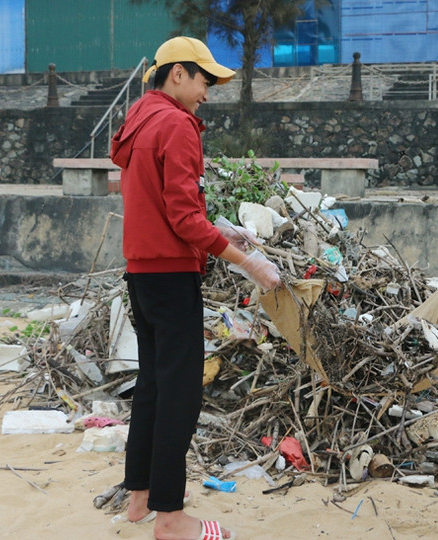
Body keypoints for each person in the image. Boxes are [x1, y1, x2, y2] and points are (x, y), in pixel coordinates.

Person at [110, 36, 280, 540]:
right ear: (178, 74)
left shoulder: (139, 119)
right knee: (181, 394)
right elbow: (184, 219)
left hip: (141, 275)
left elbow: (165, 206)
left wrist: (221, 228)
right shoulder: (177, 124)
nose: (208, 92)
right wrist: (252, 264)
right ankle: (171, 517)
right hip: (170, 278)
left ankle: (139, 499)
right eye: (205, 80)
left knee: (154, 387)